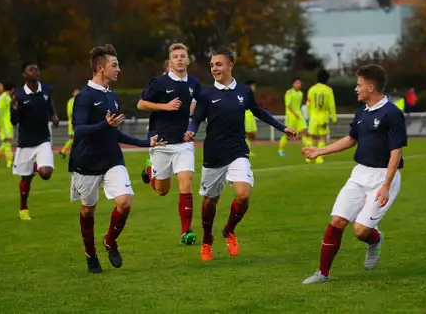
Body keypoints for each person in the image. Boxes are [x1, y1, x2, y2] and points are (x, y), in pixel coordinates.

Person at [185, 46, 298, 261]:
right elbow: (196, 118)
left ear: (230, 65)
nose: (214, 68)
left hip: (238, 151)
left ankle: (229, 230)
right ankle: (207, 239)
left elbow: (259, 112)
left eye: (218, 64)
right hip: (213, 155)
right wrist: (191, 131)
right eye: (211, 65)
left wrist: (282, 127)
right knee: (210, 201)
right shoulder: (206, 94)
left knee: (243, 195)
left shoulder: (244, 91)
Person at [301, 64, 407, 284]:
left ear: (371, 86)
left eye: (359, 85)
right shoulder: (362, 112)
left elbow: (396, 152)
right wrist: (320, 150)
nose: (356, 89)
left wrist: (386, 185)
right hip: (360, 174)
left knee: (360, 231)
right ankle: (323, 274)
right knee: (337, 221)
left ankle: (375, 241)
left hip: (383, 177)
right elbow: (351, 139)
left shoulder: (393, 114)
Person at [69, 44, 166, 273]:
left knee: (125, 201)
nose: (119, 69)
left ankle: (110, 241)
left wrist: (146, 143)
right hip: (86, 162)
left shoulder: (113, 97)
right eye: (115, 65)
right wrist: (105, 124)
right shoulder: (84, 97)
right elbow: (79, 130)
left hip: (112, 158)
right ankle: (90, 254)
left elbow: (115, 133)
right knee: (87, 211)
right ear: (100, 68)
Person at [137, 43, 201, 245]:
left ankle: (186, 232)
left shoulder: (194, 83)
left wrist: (192, 128)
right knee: (162, 190)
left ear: (188, 60)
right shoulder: (159, 83)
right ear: (170, 62)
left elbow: (200, 108)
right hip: (161, 142)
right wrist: (165, 106)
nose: (180, 59)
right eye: (176, 56)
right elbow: (141, 104)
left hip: (183, 143)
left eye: (183, 56)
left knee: (186, 180)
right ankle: (150, 170)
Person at [11, 63, 60, 220]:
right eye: (31, 70)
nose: (35, 72)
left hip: (43, 139)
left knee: (46, 173)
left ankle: (37, 167)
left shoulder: (46, 90)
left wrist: (53, 115)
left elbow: (49, 104)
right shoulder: (19, 96)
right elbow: (14, 121)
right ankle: (23, 207)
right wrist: (15, 109)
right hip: (25, 141)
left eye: (37, 69)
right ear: (24, 75)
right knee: (25, 178)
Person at [305, 70, 337, 164]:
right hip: (324, 117)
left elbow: (308, 104)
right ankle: (319, 158)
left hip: (314, 116)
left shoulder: (312, 89)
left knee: (311, 137)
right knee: (322, 138)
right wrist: (334, 117)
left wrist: (309, 115)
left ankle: (308, 157)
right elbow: (331, 105)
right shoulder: (328, 90)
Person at [278, 77, 310, 156]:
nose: (299, 85)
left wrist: (300, 114)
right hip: (291, 116)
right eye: (297, 83)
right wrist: (294, 113)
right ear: (293, 84)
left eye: (299, 83)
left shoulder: (300, 93)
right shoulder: (289, 92)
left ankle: (308, 149)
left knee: (304, 131)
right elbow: (288, 105)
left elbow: (298, 106)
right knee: (287, 134)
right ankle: (281, 150)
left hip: (299, 116)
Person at [0, 82, 17, 168]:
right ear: (12, 90)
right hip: (4, 123)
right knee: (8, 142)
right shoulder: (4, 97)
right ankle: (9, 161)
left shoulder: (6, 97)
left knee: (7, 143)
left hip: (8, 122)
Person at [60, 88, 81, 158]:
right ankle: (63, 151)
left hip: (80, 123)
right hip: (73, 123)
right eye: (76, 92)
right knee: (74, 138)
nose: (77, 94)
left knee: (77, 139)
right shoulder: (71, 101)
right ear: (73, 94)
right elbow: (70, 113)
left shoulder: (81, 101)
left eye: (78, 93)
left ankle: (64, 151)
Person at [244, 80, 258, 157]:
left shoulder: (251, 95)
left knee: (253, 135)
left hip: (251, 116)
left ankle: (246, 150)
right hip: (247, 116)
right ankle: (247, 151)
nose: (254, 88)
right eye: (252, 86)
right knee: (248, 134)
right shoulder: (245, 94)